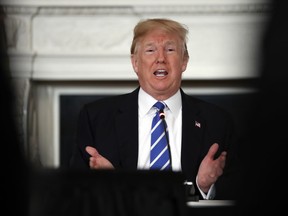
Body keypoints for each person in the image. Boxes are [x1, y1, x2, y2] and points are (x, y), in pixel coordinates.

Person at [70, 18, 239, 200]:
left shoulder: (217, 121)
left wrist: (205, 186)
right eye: (150, 50)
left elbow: (243, 190)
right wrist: (110, 183)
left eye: (170, 49)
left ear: (184, 61)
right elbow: (73, 192)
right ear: (135, 63)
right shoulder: (96, 118)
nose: (161, 59)